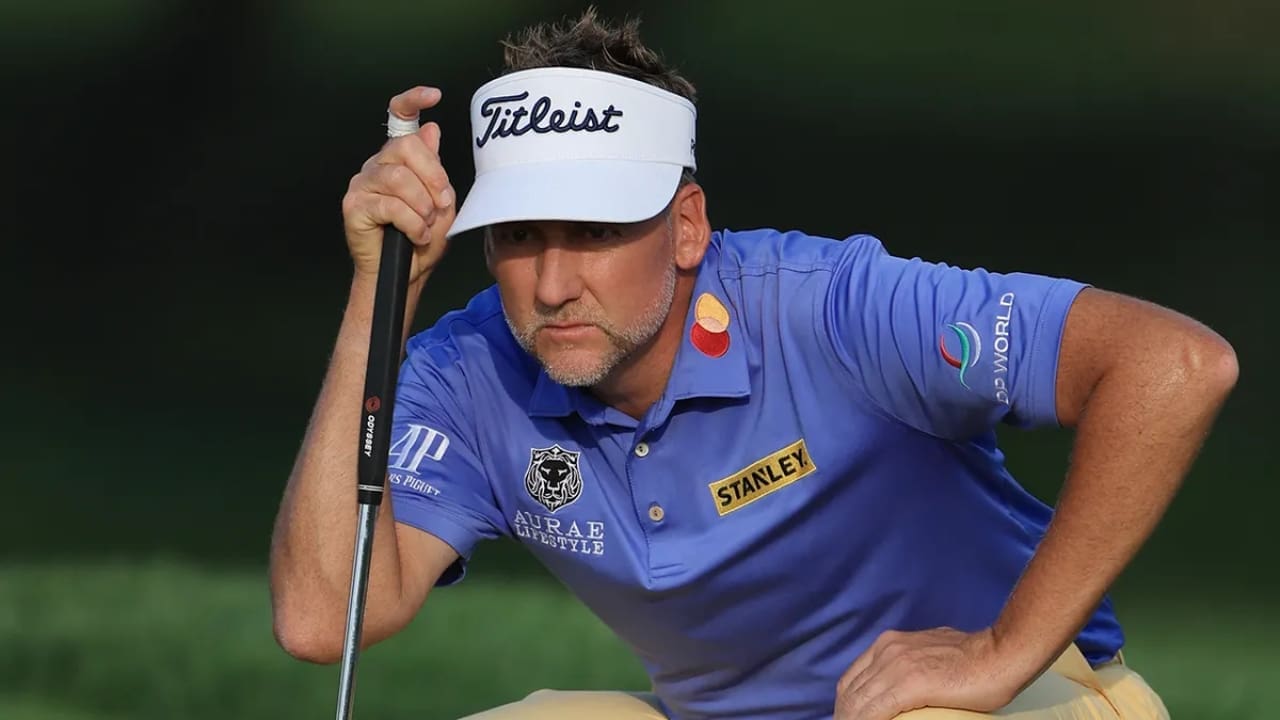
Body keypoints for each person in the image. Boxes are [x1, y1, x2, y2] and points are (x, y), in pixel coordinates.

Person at [267, 8, 1237, 720]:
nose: (552, 283)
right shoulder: (472, 363)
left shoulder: (835, 307)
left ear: (687, 226)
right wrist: (379, 292)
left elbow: (1175, 364)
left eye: (595, 231)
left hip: (1018, 700)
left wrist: (1001, 650)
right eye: (519, 236)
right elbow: (322, 617)